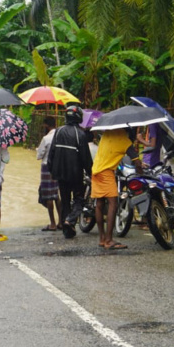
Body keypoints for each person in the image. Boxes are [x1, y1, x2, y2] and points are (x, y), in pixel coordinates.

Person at [47, 105, 93, 239]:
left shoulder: (58, 131)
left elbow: (52, 154)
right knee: (79, 199)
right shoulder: (80, 134)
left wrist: (52, 171)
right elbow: (85, 158)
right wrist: (91, 173)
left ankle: (67, 227)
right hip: (75, 174)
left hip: (60, 174)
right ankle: (70, 221)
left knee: (65, 200)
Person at [92, 128, 141, 250]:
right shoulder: (125, 142)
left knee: (99, 203)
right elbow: (137, 162)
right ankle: (109, 240)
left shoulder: (107, 133)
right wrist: (141, 172)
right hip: (107, 172)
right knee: (113, 203)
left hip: (95, 170)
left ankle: (102, 239)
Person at [36, 116, 60, 231]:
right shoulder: (60, 136)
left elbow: (39, 155)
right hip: (58, 167)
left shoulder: (46, 138)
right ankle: (61, 221)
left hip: (47, 167)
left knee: (49, 196)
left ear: (46, 125)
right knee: (56, 195)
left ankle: (52, 223)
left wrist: (38, 150)